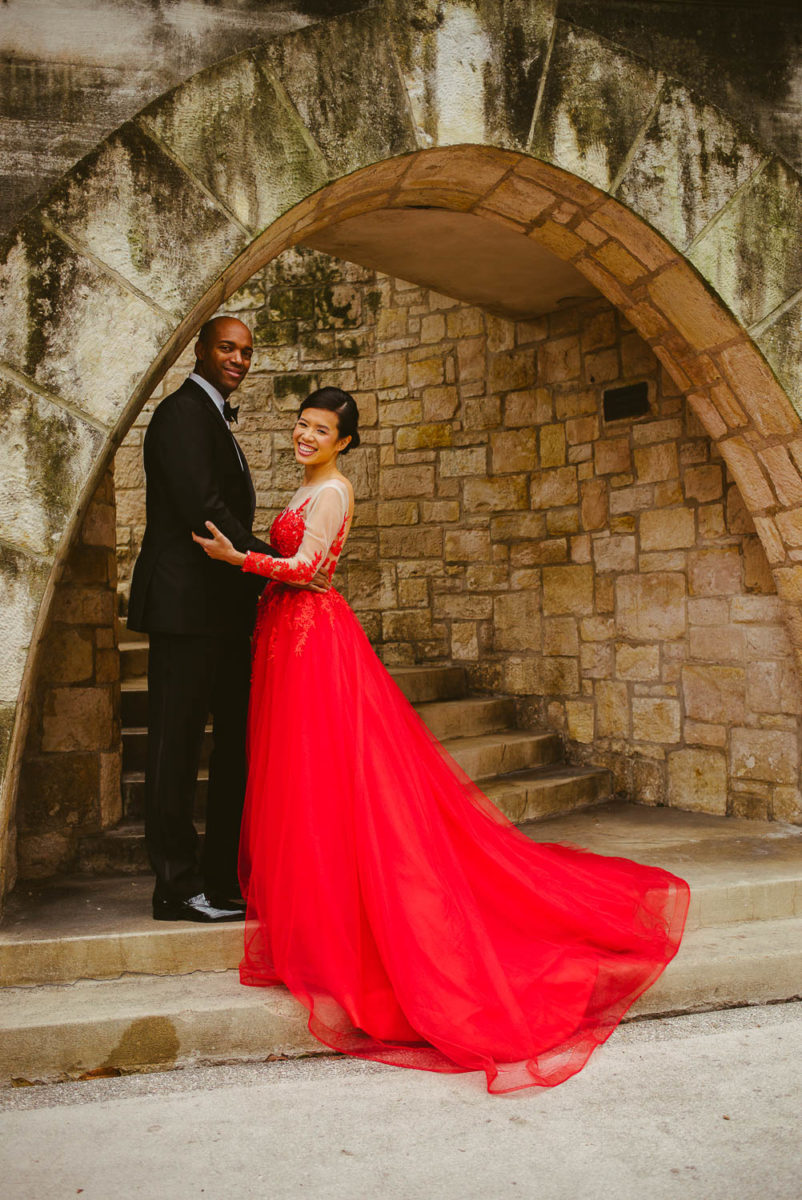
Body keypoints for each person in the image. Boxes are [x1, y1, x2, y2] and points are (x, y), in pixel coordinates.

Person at [193, 386, 690, 1093]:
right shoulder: (308, 484)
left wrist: (234, 559)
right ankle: (314, 926)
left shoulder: (333, 490)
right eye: (302, 424)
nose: (306, 436)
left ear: (344, 442)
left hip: (312, 643)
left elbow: (309, 570)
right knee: (302, 787)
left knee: (327, 781)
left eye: (321, 429)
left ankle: (351, 936)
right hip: (288, 639)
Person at [128, 316, 282, 923]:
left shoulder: (214, 416)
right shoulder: (182, 414)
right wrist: (279, 565)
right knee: (174, 747)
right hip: (185, 610)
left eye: (246, 351)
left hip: (223, 614)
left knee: (235, 750)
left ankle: (221, 877)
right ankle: (176, 886)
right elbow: (206, 512)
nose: (238, 359)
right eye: (227, 347)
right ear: (201, 349)